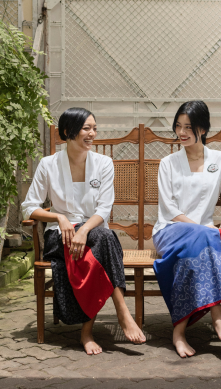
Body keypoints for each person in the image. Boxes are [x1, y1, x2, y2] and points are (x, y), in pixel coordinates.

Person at [22, 107, 146, 355]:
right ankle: (118, 314)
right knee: (103, 243)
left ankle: (91, 329)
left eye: (94, 128)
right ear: (68, 131)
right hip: (61, 235)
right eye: (86, 128)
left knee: (101, 242)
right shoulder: (48, 164)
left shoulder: (103, 163)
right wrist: (59, 217)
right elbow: (29, 206)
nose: (92, 134)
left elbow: (104, 208)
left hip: (94, 232)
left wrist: (84, 230)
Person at [152, 100, 221, 358]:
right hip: (169, 231)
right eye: (178, 126)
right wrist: (200, 231)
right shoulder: (168, 163)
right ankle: (218, 313)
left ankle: (179, 332)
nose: (181, 132)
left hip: (201, 240)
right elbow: (169, 209)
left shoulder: (220, 160)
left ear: (202, 129)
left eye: (188, 127)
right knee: (204, 235)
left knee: (190, 257)